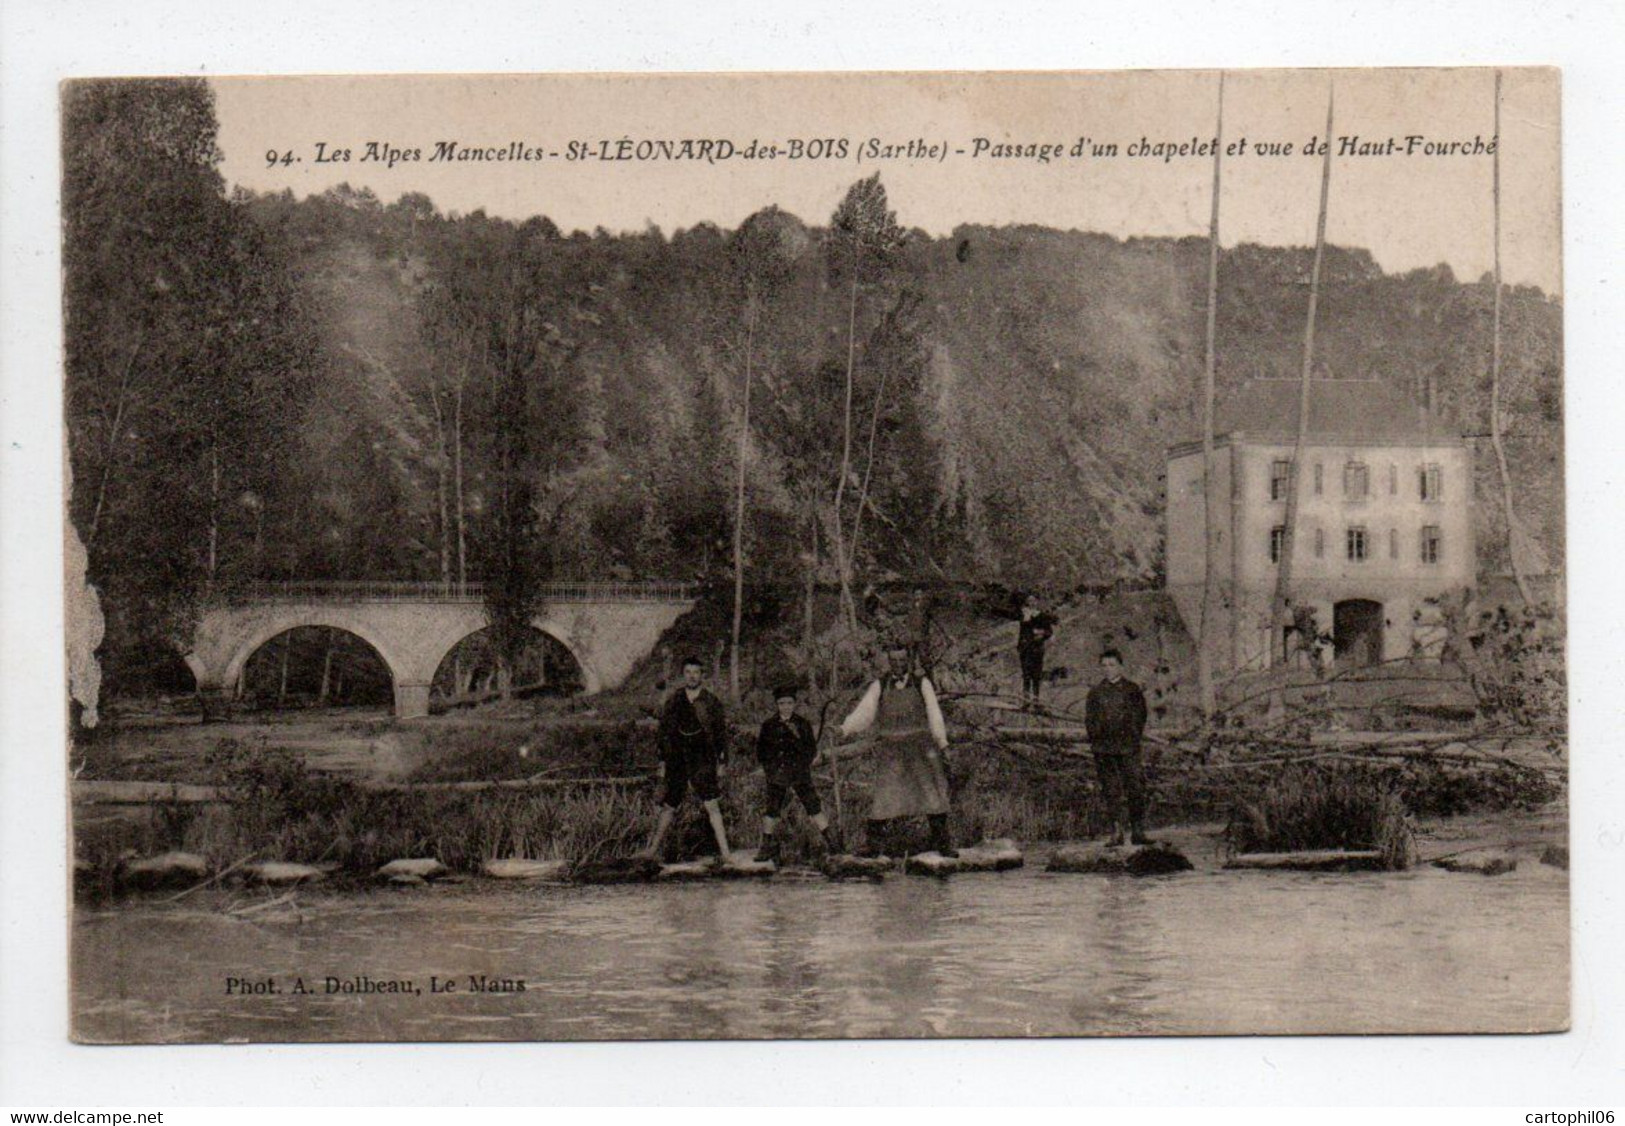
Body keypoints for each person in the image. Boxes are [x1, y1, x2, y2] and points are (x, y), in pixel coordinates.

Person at [838, 646, 957, 858]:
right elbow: (864, 713)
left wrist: (942, 743)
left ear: (908, 661)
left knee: (932, 794)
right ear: (889, 661)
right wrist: (844, 728)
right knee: (884, 795)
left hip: (920, 747)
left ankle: (943, 844)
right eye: (894, 660)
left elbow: (934, 714)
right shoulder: (880, 685)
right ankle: (873, 846)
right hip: (891, 749)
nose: (898, 664)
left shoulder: (922, 683)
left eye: (902, 660)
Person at [640, 656, 732, 862]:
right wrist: (663, 760)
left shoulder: (710, 701)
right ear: (684, 675)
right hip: (678, 757)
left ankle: (726, 853)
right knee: (669, 804)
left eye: (696, 672)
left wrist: (722, 762)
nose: (692, 676)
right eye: (688, 672)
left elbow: (720, 733)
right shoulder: (675, 699)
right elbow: (664, 732)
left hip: (703, 757)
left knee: (712, 804)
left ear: (702, 675)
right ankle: (652, 850)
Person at [754, 684, 836, 864]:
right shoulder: (768, 725)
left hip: (799, 773)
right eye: (782, 703)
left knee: (813, 805)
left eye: (789, 703)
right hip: (778, 773)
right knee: (772, 809)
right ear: (777, 704)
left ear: (794, 704)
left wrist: (803, 765)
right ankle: (766, 847)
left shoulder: (802, 724)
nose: (786, 706)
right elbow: (762, 751)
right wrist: (771, 769)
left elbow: (811, 749)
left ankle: (832, 842)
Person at [1084, 648, 1152, 846]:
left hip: (1127, 747)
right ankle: (1117, 832)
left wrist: (1131, 737)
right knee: (1110, 790)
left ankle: (1138, 831)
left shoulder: (1132, 690)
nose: (1108, 669)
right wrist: (1097, 737)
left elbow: (1140, 717)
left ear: (1121, 666)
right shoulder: (1096, 692)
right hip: (1104, 748)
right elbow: (1090, 720)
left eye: (1112, 665)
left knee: (1135, 788)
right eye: (1104, 665)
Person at [1016, 593, 1058, 708]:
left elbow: (1049, 632)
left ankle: (1036, 701)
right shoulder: (1024, 615)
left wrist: (1041, 633)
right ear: (1026, 602)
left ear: (1037, 602)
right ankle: (1026, 701)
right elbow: (1023, 632)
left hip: (1037, 649)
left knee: (1036, 676)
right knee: (1026, 676)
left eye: (1034, 600)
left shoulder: (1042, 616)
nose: (1032, 603)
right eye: (1029, 600)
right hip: (1025, 649)